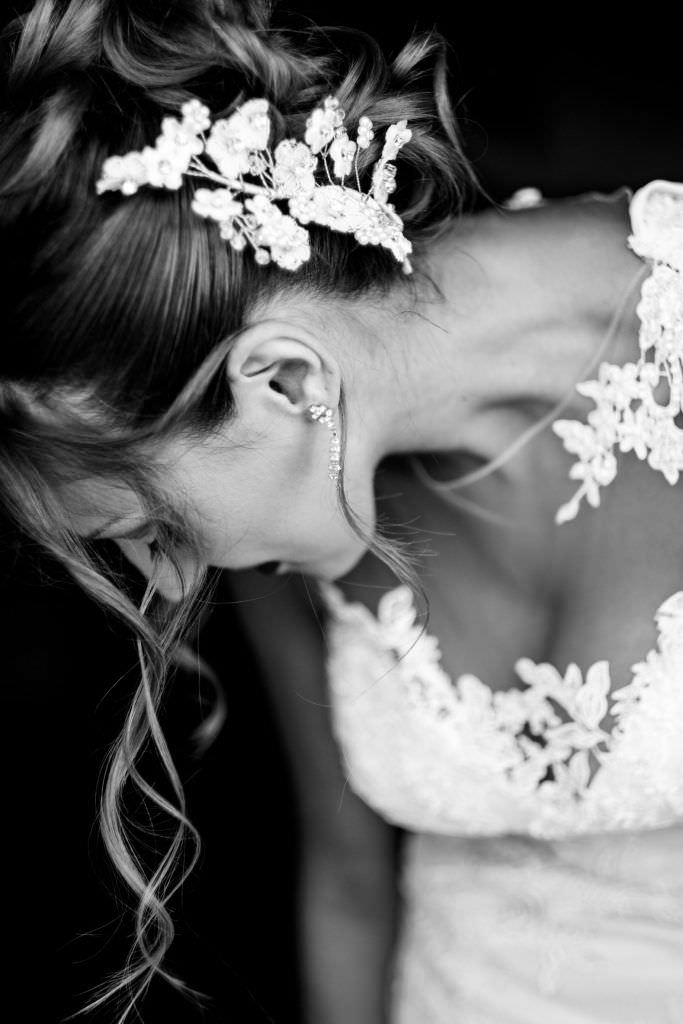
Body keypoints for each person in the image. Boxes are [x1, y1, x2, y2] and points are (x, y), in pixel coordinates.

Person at [2, 2, 683, 1023]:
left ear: (284, 381)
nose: (174, 581)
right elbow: (349, 882)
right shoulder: (309, 491)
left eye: (149, 528)